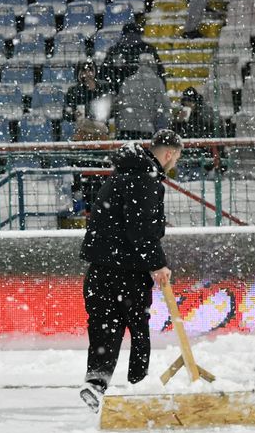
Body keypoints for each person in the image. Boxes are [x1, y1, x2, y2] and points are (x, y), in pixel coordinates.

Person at [78, 129, 183, 412]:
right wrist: (157, 264)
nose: (173, 166)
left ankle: (96, 383)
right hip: (128, 270)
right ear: (170, 153)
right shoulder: (145, 180)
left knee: (104, 327)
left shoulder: (118, 177)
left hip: (99, 269)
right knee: (138, 328)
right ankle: (138, 385)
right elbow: (142, 230)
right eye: (175, 160)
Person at [113, 53, 172, 140]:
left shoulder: (128, 81)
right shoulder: (157, 82)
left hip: (125, 127)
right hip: (145, 128)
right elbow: (165, 105)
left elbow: (118, 104)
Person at [100, 15, 164, 92]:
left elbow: (103, 74)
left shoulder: (114, 50)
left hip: (119, 91)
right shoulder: (148, 49)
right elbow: (159, 72)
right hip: (145, 92)